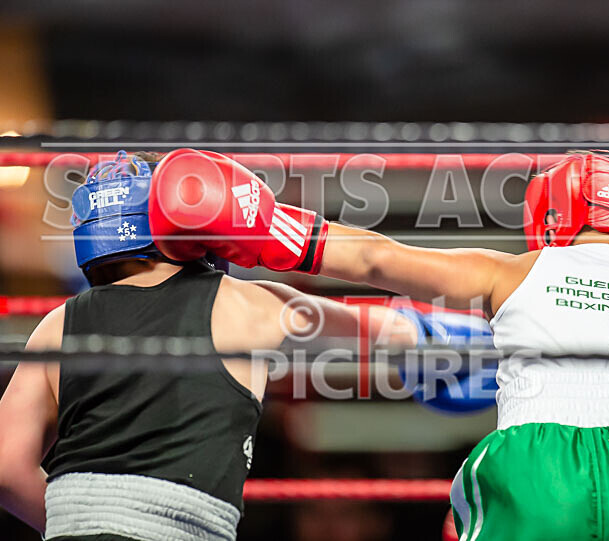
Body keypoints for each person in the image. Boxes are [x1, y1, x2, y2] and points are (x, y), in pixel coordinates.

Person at [149, 149, 609, 540]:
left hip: (541, 470)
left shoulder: (523, 270)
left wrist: (263, 226)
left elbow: (380, 259)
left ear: (557, 213)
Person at [0, 151, 487, 540]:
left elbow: (5, 468)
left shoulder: (57, 324)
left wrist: (84, 522)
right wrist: (461, 340)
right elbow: (376, 329)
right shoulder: (245, 304)